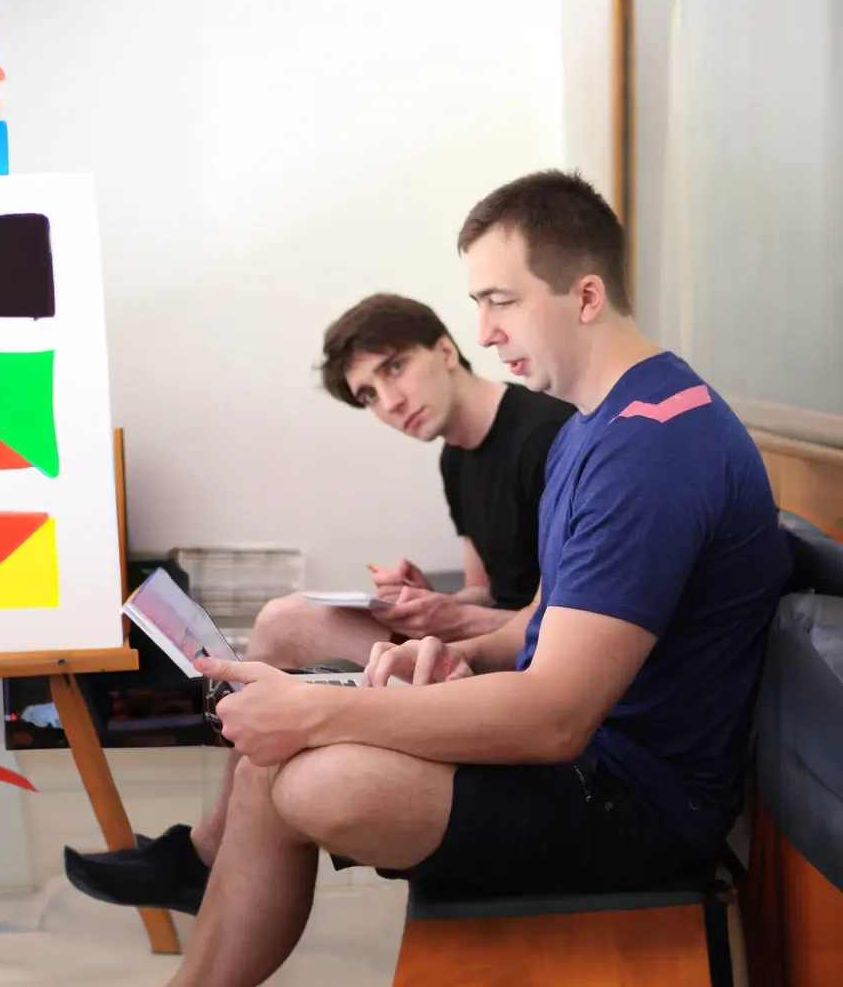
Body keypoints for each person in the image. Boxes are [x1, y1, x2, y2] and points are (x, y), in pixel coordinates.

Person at [157, 169, 793, 987]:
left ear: (586, 296)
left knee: (319, 774)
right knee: (276, 760)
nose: (484, 332)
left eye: (500, 300)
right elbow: (542, 627)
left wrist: (322, 710)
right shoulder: (594, 432)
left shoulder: (652, 447)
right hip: (587, 755)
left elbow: (557, 718)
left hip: (640, 800)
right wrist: (457, 657)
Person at [63, 293, 574, 913]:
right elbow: (487, 589)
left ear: (445, 348)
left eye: (393, 368)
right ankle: (209, 848)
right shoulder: (456, 456)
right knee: (284, 617)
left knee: (284, 625)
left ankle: (206, 854)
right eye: (368, 395)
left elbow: (557, 622)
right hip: (485, 645)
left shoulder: (546, 434)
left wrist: (456, 618)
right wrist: (428, 599)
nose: (389, 403)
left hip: (528, 670)